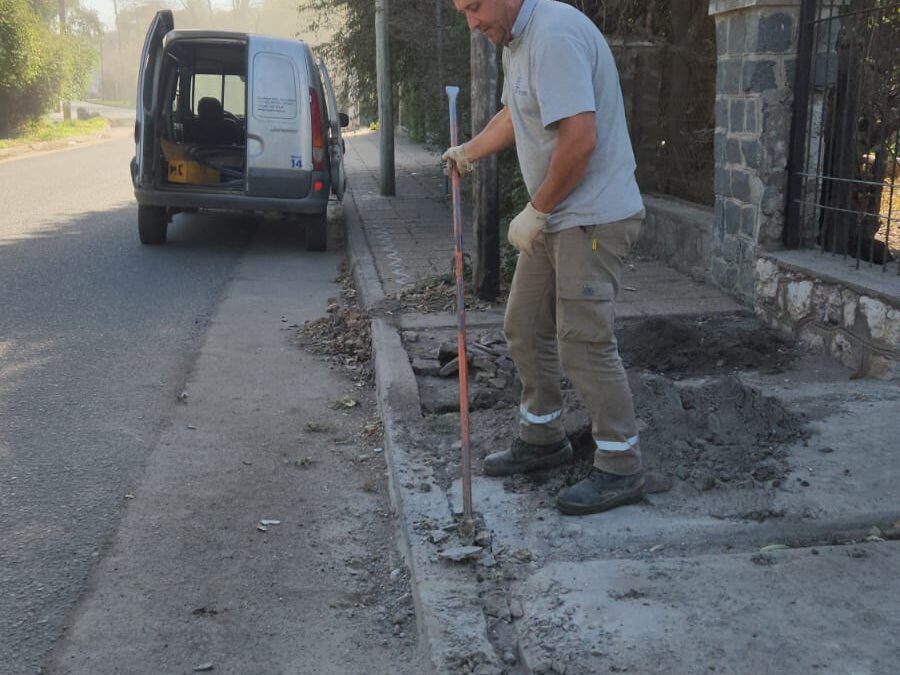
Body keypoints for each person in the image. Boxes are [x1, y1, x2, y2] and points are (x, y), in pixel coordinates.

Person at [443, 0, 646, 516]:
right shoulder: (518, 41)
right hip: (559, 214)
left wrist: (535, 210)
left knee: (583, 340)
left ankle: (622, 466)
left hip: (591, 218)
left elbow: (579, 140)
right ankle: (543, 438)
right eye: (462, 11)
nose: (472, 23)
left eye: (475, 7)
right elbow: (518, 114)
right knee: (525, 325)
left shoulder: (553, 37)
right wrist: (470, 151)